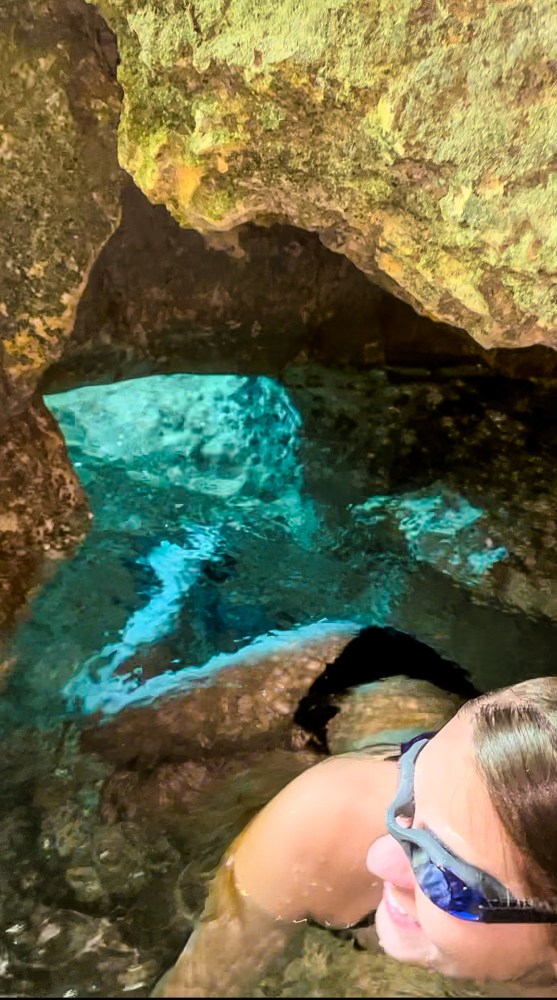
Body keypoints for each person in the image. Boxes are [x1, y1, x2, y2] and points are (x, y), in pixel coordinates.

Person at [151, 676, 557, 997]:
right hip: (340, 690)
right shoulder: (323, 823)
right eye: (410, 794)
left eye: (442, 874)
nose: (379, 857)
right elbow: (198, 986)